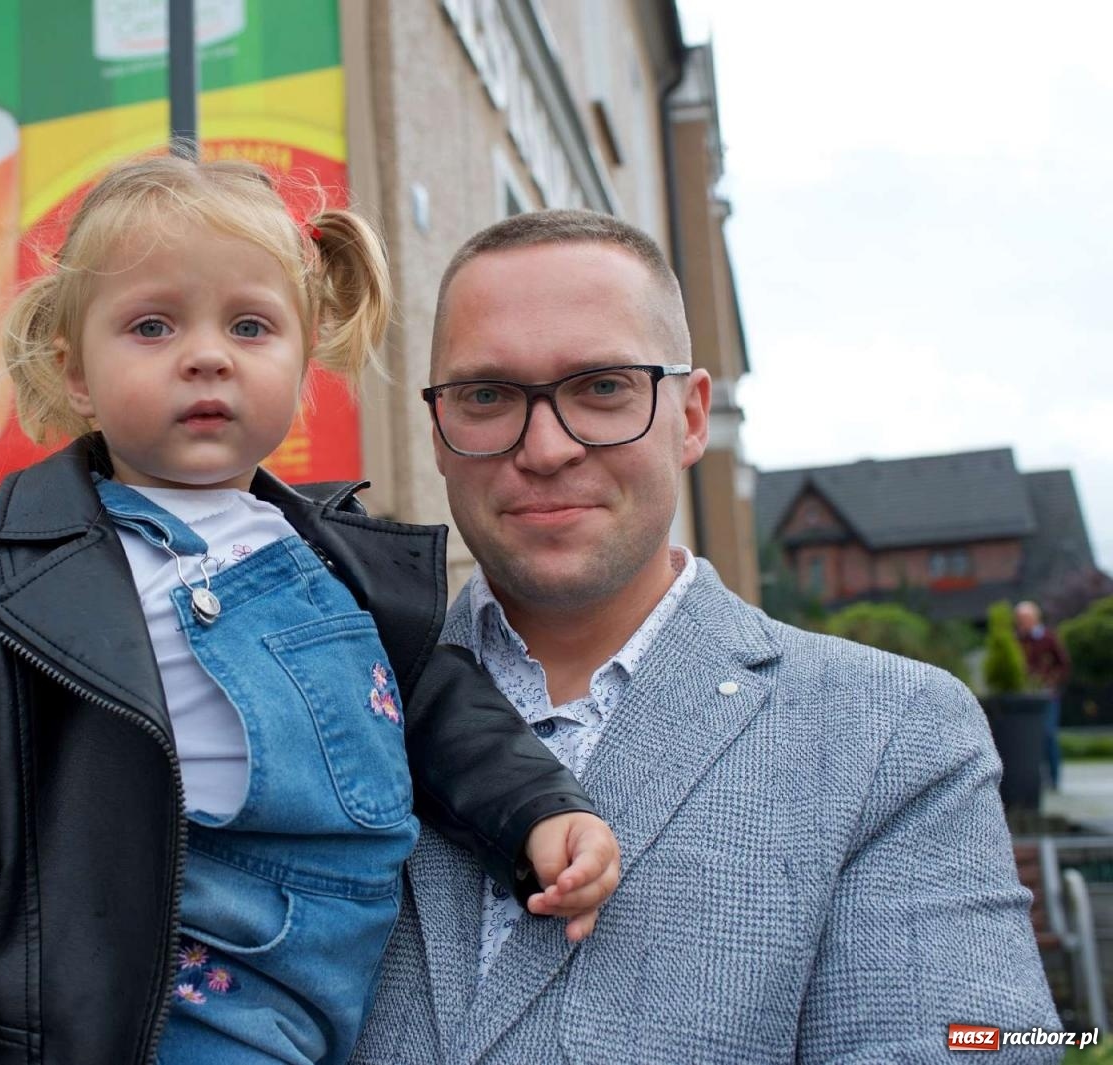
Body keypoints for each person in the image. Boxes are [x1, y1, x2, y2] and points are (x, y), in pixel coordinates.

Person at [0, 158, 622, 1065]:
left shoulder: (338, 555)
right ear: (74, 372)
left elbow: (441, 704)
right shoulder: (4, 569)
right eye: (152, 325)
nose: (207, 354)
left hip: (340, 991)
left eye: (250, 325)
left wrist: (542, 812)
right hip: (163, 991)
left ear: (303, 358)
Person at [353, 209, 1060, 1063]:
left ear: (691, 417)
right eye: (487, 396)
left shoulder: (892, 735)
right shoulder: (334, 689)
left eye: (602, 386)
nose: (543, 447)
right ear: (437, 431)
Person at [1016, 599, 1071, 791]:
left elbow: (1063, 664)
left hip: (1047, 696)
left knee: (1048, 735)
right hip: (1025, 696)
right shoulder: (1018, 640)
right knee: (1028, 739)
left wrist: (1052, 681)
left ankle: (1054, 780)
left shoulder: (1048, 638)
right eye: (1019, 620)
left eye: (1024, 619)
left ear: (1034, 618)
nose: (1021, 623)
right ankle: (1034, 781)